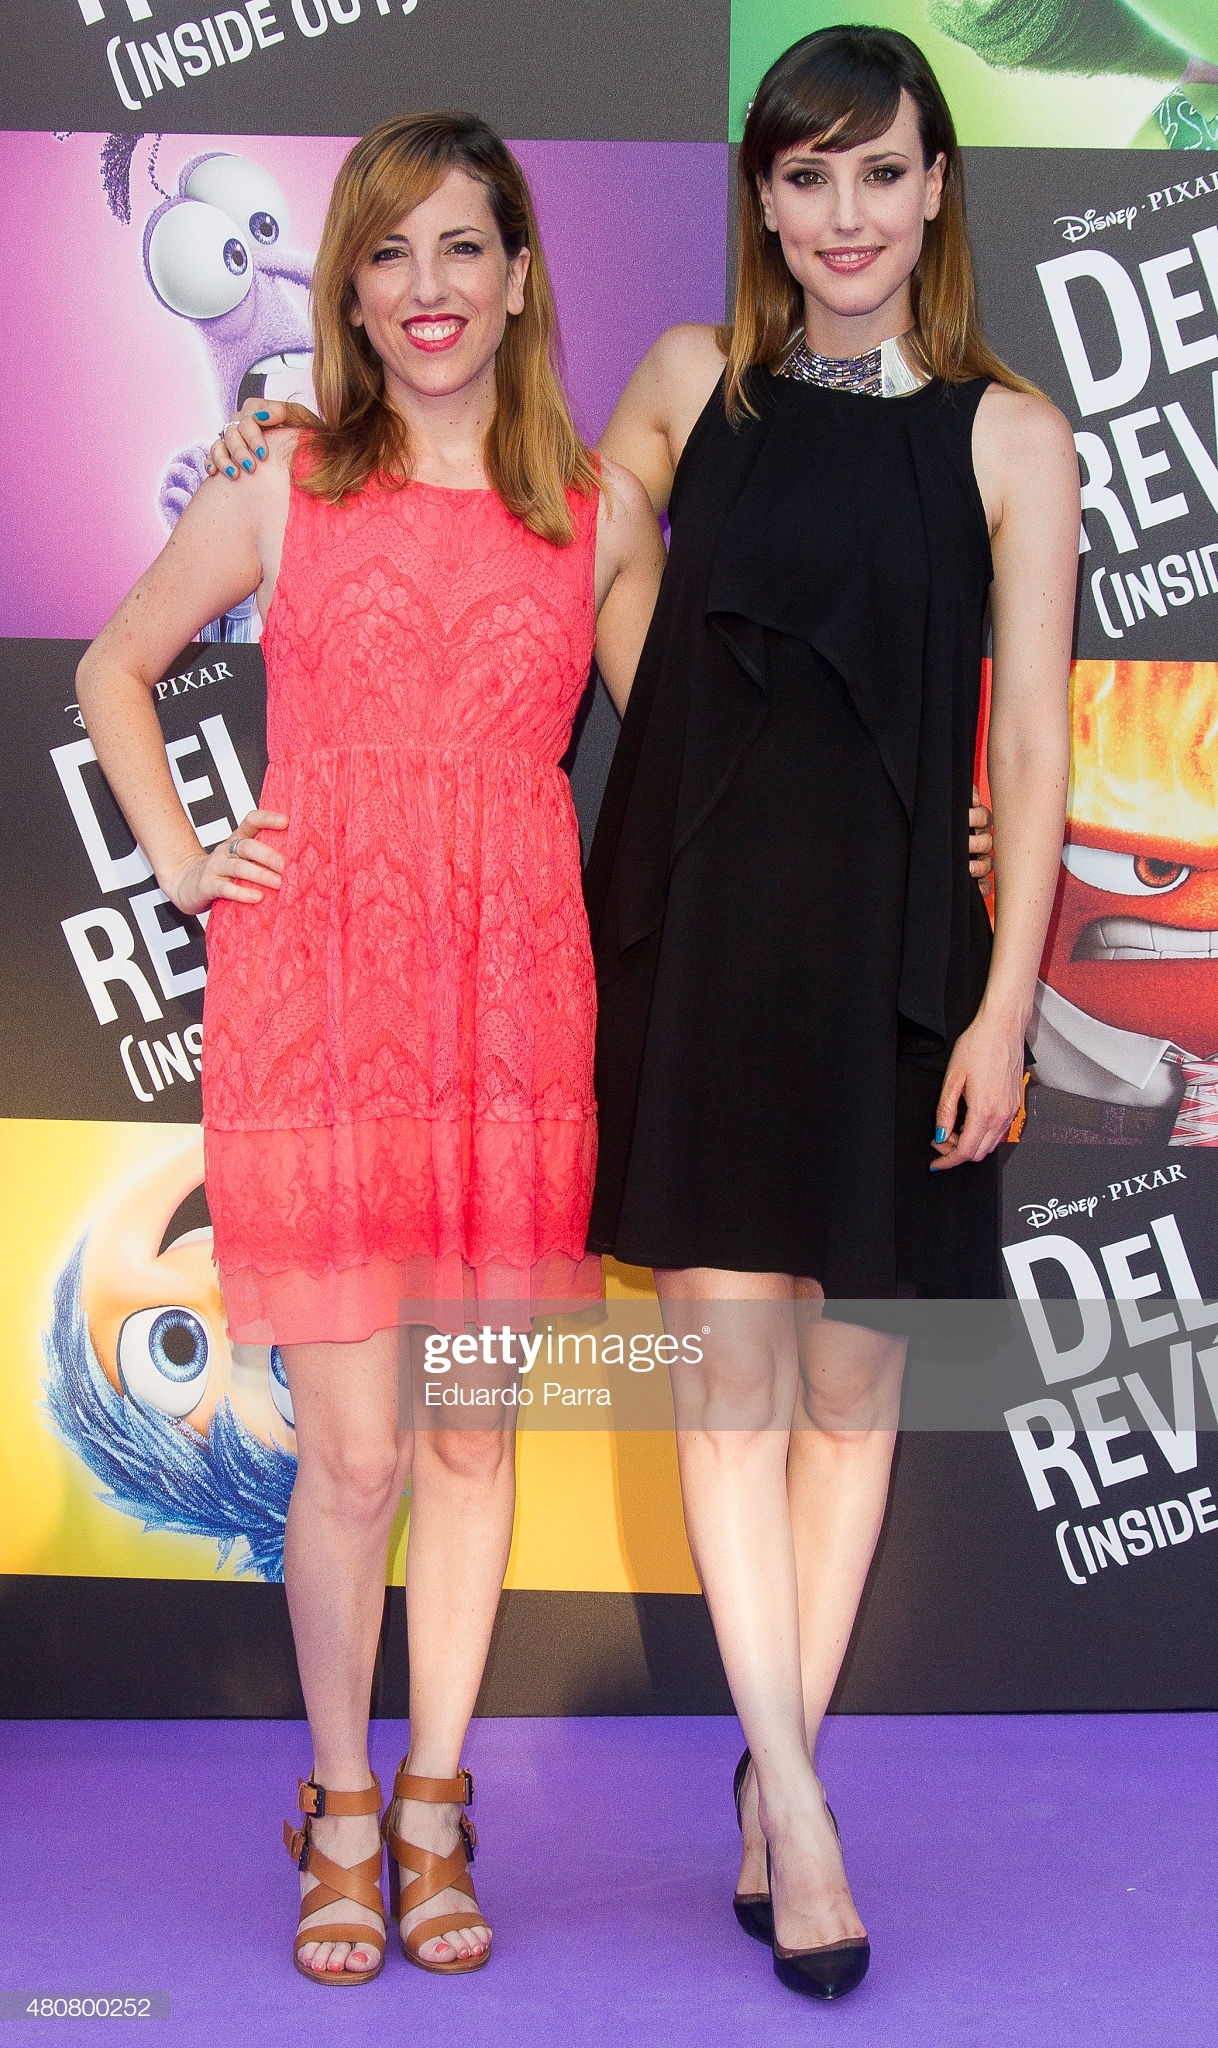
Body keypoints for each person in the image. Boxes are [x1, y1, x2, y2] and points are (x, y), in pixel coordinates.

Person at [76, 111, 664, 1987]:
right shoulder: (282, 475)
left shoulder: (595, 511)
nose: (427, 288)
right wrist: (188, 859)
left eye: (462, 247)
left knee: (472, 1441)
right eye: (389, 252)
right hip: (319, 1010)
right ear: (344, 287)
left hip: (510, 1026)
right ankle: (339, 1807)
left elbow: (698, 766)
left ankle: (432, 1803)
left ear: (519, 275)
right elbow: (112, 664)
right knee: (347, 1458)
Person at [581, 26, 1078, 2001]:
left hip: (902, 963)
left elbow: (1028, 751)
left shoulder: (1011, 435)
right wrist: (688, 719)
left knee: (852, 1399)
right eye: (807, 175)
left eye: (882, 172)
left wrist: (1007, 1006)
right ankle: (795, 1804)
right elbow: (550, 537)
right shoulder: (689, 382)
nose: (845, 213)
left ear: (938, 188)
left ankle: (772, 1769)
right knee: (728, 1386)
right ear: (762, 198)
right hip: (704, 935)